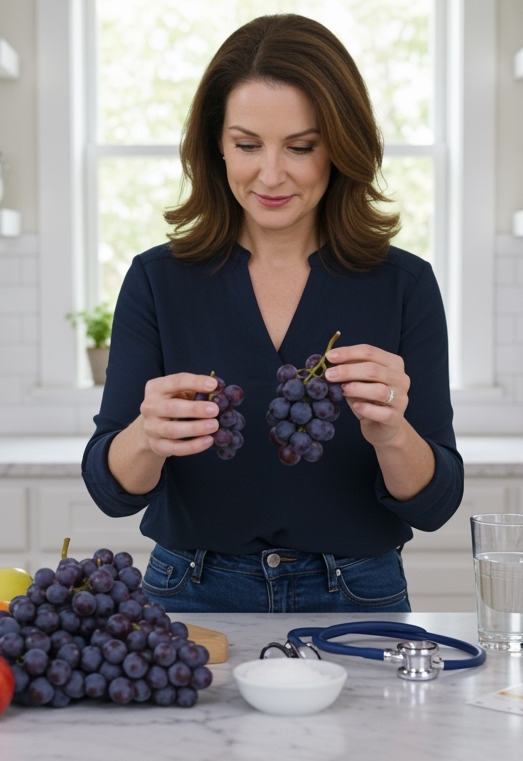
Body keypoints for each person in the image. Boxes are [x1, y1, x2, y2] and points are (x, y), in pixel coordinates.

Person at [81, 13, 462, 613]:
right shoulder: (158, 280)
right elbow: (112, 492)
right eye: (247, 145)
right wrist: (146, 437)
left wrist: (393, 434)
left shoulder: (404, 285)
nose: (272, 174)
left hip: (357, 592)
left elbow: (435, 505)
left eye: (301, 147)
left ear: (340, 147)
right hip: (190, 590)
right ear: (216, 146)